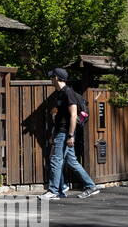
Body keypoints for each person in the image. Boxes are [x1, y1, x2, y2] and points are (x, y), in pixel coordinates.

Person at [42, 67, 101, 200]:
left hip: (65, 133)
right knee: (72, 161)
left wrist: (71, 135)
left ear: (56, 78)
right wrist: (53, 133)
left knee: (56, 161)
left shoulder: (68, 93)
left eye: (52, 77)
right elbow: (60, 117)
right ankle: (90, 186)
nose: (51, 79)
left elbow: (73, 115)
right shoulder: (60, 93)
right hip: (60, 132)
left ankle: (54, 191)